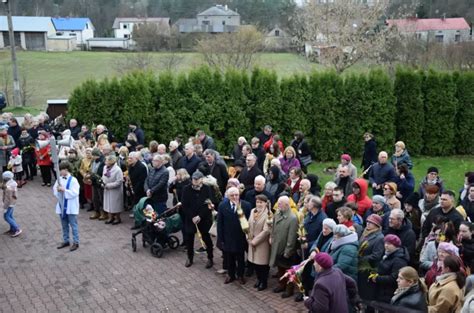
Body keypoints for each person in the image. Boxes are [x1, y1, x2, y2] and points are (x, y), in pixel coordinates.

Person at [217, 187, 251, 285]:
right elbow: (220, 224)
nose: (235, 197)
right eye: (232, 195)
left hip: (241, 237)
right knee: (229, 258)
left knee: (240, 258)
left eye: (236, 195)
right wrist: (221, 238)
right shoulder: (222, 206)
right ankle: (230, 275)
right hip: (228, 237)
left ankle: (240, 275)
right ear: (228, 196)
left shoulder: (246, 205)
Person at [181, 170, 214, 269]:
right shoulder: (186, 189)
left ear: (201, 179)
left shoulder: (206, 189)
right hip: (191, 219)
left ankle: (210, 258)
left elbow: (208, 204)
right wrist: (192, 217)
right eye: (193, 179)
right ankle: (190, 258)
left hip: (203, 219)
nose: (194, 181)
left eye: (197, 179)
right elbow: (184, 205)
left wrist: (200, 216)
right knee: (189, 239)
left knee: (206, 239)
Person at [270, 196, 299, 298]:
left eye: (280, 204)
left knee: (288, 270)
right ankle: (281, 284)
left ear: (287, 205)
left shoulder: (293, 218)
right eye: (278, 203)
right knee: (280, 268)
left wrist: (288, 251)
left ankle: (289, 289)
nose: (278, 205)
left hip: (285, 249)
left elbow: (292, 237)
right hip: (277, 246)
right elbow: (273, 227)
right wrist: (271, 237)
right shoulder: (277, 213)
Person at [370, 234, 410, 303]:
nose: (386, 245)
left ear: (396, 245)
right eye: (385, 243)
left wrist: (377, 278)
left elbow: (394, 278)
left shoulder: (399, 260)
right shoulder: (387, 254)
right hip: (382, 290)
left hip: (388, 292)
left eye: (389, 244)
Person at [54, 161, 80, 252]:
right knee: (64, 225)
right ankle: (66, 240)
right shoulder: (59, 179)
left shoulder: (73, 180)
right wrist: (58, 190)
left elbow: (75, 193)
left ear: (66, 170)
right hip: (62, 205)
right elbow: (55, 191)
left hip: (70, 206)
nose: (60, 172)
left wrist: (64, 190)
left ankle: (76, 242)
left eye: (61, 170)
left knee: (73, 225)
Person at [247, 194, 272, 291]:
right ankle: (258, 279)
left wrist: (254, 241)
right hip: (251, 241)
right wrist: (248, 238)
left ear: (266, 203)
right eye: (257, 202)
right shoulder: (252, 211)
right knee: (255, 263)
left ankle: (263, 282)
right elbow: (248, 225)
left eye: (261, 202)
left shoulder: (269, 214)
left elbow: (266, 230)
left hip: (262, 244)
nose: (259, 204)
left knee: (262, 265)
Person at [358, 214, 385, 302]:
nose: (368, 224)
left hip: (369, 269)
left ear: (377, 225)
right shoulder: (365, 233)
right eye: (368, 221)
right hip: (360, 267)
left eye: (371, 222)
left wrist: (361, 259)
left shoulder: (379, 238)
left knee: (367, 295)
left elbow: (376, 255)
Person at [102, 155, 124, 225]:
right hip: (106, 189)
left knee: (115, 204)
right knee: (108, 204)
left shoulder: (118, 169)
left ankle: (118, 218)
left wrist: (108, 185)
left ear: (111, 161)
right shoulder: (105, 167)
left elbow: (119, 181)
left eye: (107, 160)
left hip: (115, 190)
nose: (105, 162)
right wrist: (102, 183)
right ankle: (110, 217)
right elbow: (103, 177)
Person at [2, 171, 21, 237]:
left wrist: (5, 207)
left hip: (9, 204)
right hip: (13, 202)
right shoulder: (12, 183)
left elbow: (7, 198)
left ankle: (17, 229)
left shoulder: (8, 188)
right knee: (10, 216)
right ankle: (12, 229)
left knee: (6, 217)